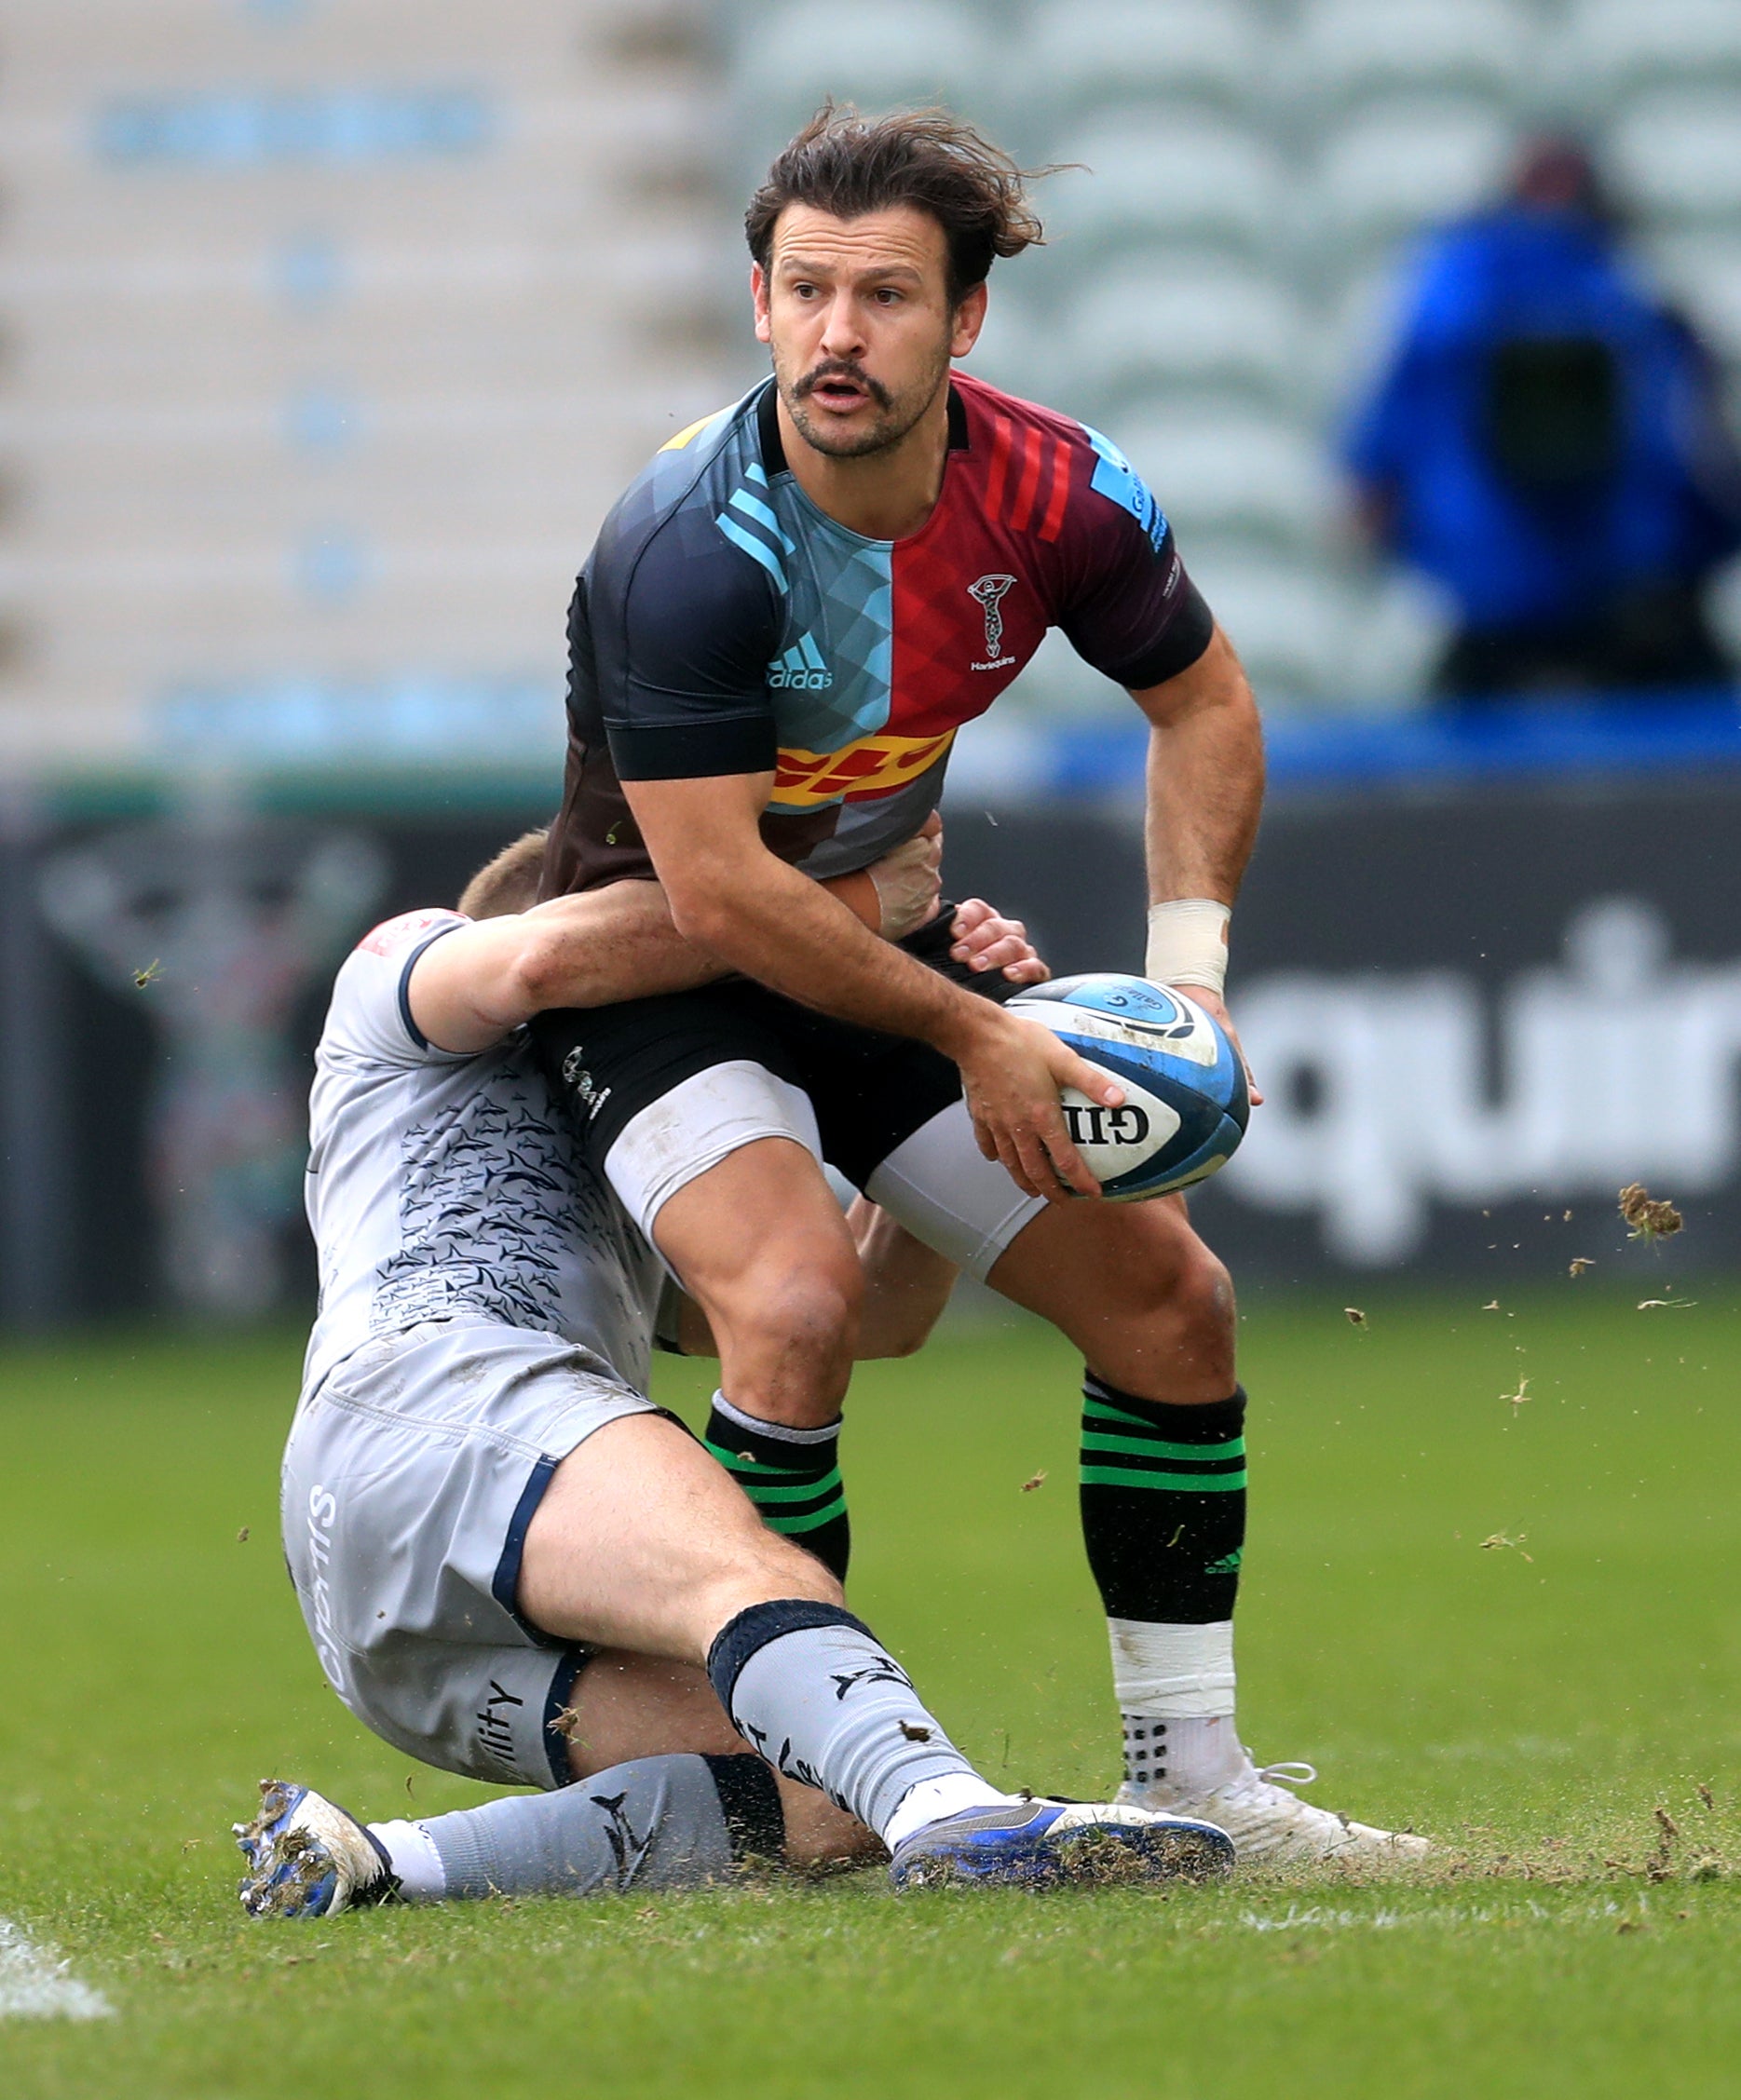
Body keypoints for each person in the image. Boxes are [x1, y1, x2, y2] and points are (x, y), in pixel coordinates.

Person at [529, 107, 1424, 1863]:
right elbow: (715, 892)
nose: (836, 333)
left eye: (880, 295)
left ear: (963, 323)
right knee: (794, 1311)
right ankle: (791, 1787)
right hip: (653, 967)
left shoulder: (1056, 491)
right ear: (758, 302)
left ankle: (1194, 1780)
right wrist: (971, 1025)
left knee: (1171, 1307)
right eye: (802, 292)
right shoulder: (689, 544)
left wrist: (1190, 978)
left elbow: (1205, 703)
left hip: (881, 949)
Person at [236, 837, 1232, 1917]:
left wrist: (956, 1055)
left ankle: (370, 1859)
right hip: (430, 1397)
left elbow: (872, 1316)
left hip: (390, 1624)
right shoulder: (413, 962)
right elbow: (541, 967)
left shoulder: (643, 1149)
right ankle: (954, 1810)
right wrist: (852, 921)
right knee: (759, 1578)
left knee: (826, 1792)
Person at [1345, 135, 1741, 704]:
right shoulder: (1637, 306)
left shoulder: (1445, 304)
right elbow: (1710, 480)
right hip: (1627, 614)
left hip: (1517, 621)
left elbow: (1369, 493)